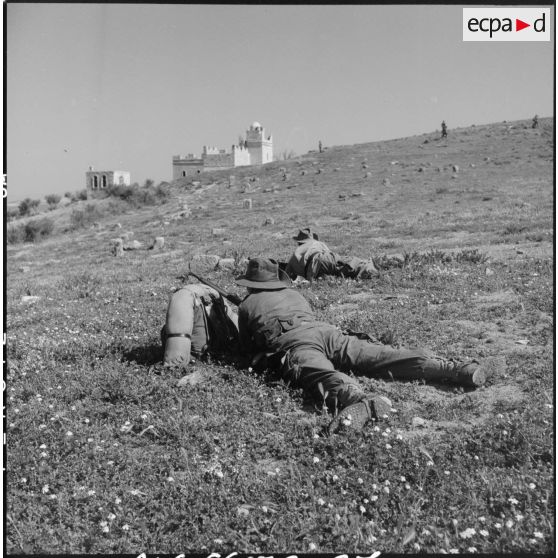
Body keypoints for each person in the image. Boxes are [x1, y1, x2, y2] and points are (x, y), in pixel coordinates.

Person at [236, 258, 492, 434]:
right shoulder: (295, 294)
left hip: (294, 341)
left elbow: (247, 349)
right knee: (379, 355)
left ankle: (357, 399)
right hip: (326, 332)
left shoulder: (247, 305)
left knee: (319, 373)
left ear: (250, 283)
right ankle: (452, 368)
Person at [161, 283, 239, 369]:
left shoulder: (183, 296)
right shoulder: (213, 291)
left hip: (198, 352)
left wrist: (173, 364)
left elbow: (177, 334)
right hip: (223, 346)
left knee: (166, 329)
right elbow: (234, 322)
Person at [285, 228, 391, 281]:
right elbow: (328, 255)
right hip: (323, 259)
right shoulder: (317, 243)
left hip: (312, 272)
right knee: (351, 264)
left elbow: (288, 274)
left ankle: (371, 274)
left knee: (340, 271)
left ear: (299, 241)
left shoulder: (296, 254)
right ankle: (376, 274)